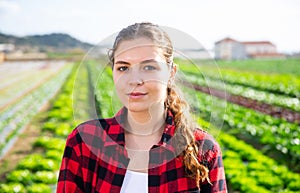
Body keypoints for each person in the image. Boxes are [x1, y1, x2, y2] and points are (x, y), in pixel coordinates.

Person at [57, 22, 227, 193]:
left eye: (149, 67)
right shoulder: (85, 141)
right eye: (123, 67)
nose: (134, 80)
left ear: (171, 73)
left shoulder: (203, 149)